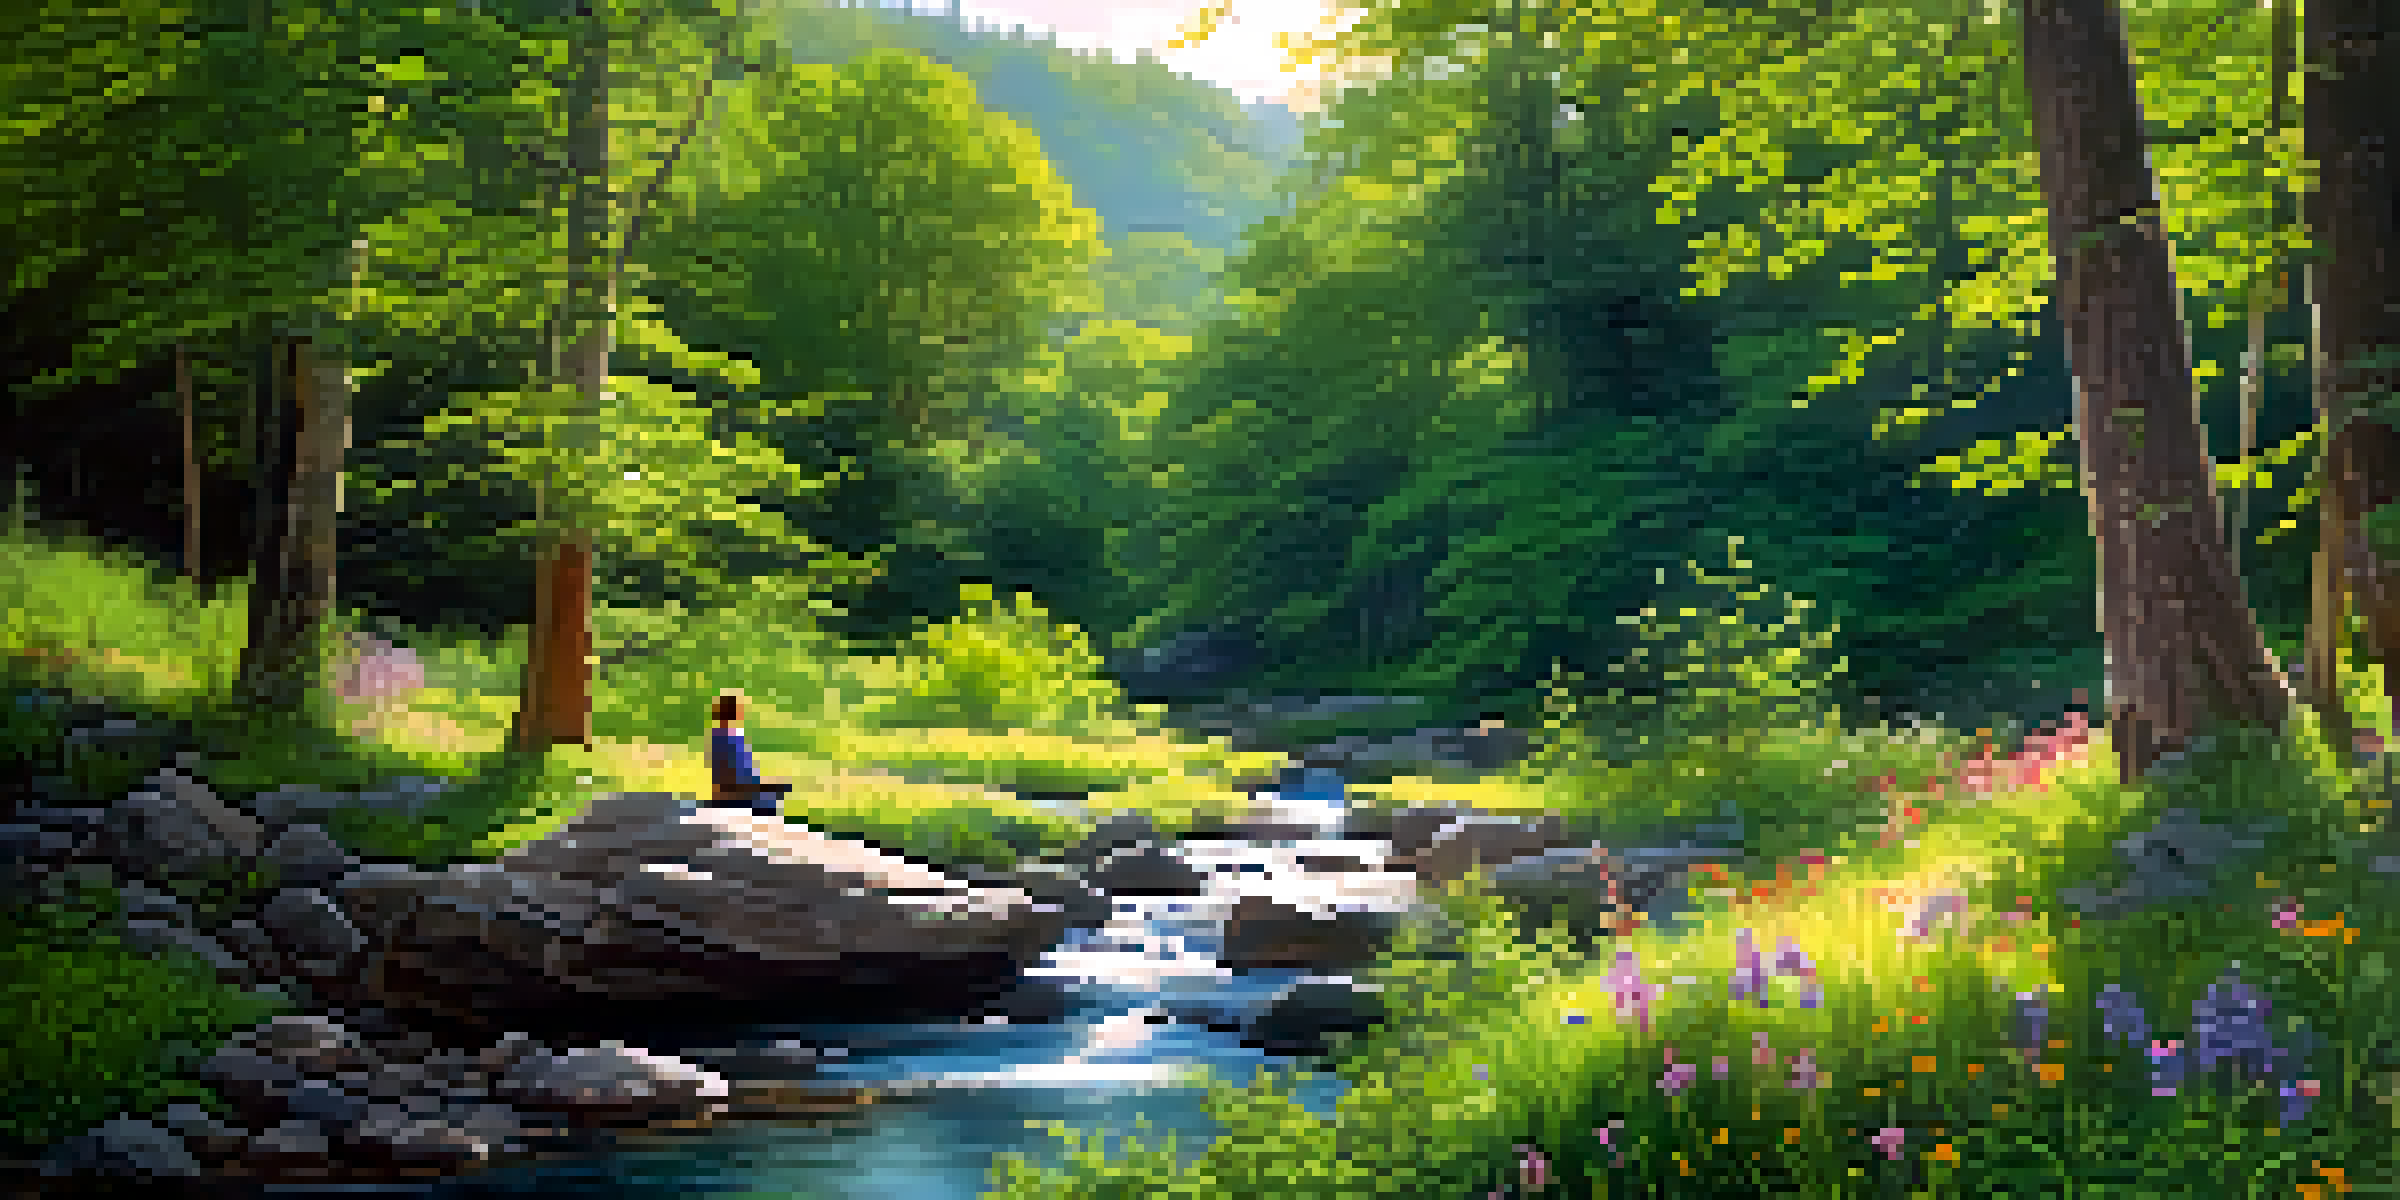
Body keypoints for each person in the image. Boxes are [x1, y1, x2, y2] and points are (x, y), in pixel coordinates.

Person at [708, 691, 791, 817]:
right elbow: (738, 779)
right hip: (737, 796)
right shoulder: (731, 739)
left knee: (774, 790)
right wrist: (767, 786)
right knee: (775, 794)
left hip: (731, 792)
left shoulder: (718, 736)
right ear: (736, 713)